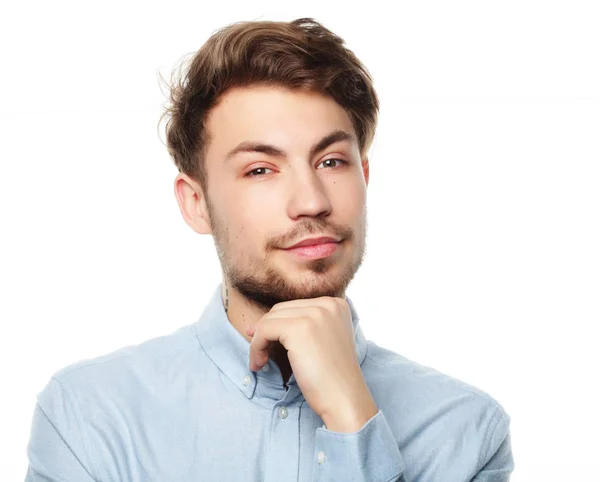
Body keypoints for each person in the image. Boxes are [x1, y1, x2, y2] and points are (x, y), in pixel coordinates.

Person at [25, 17, 514, 482]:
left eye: (331, 160)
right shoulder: (89, 416)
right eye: (260, 169)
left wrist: (352, 416)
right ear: (196, 204)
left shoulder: (466, 432)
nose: (312, 202)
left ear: (365, 177)